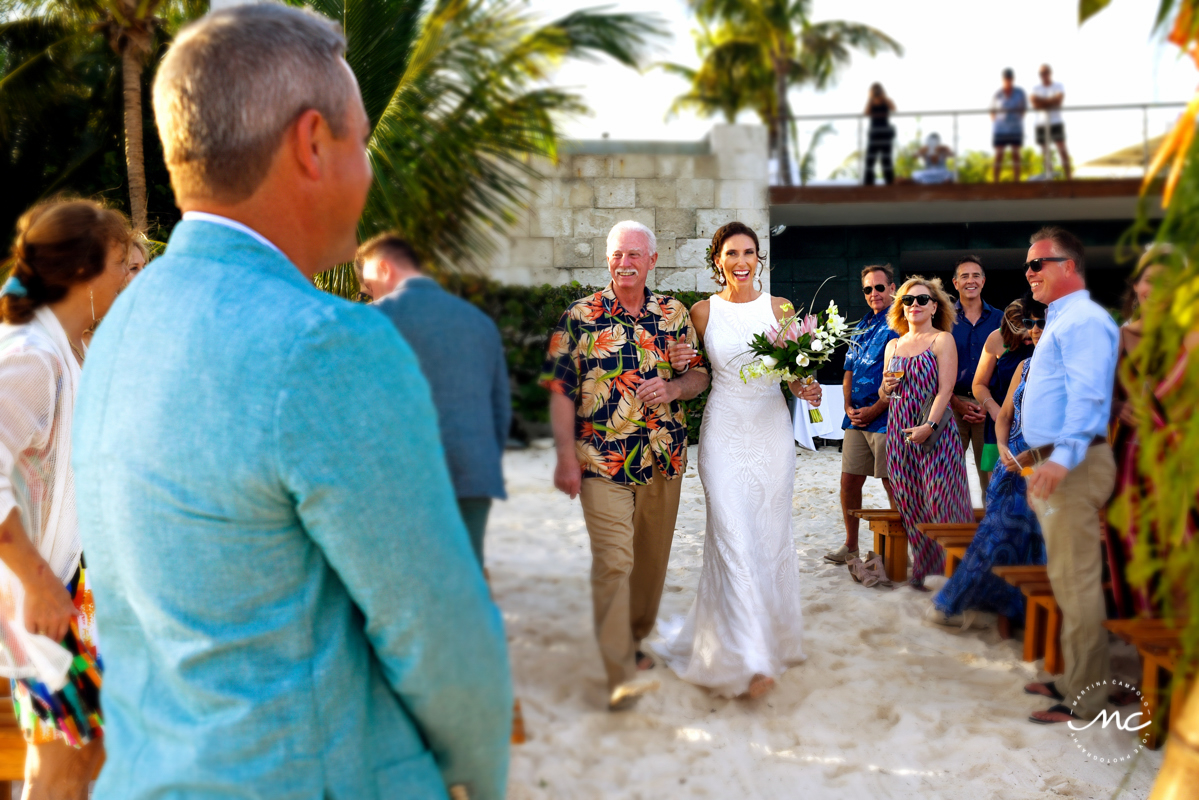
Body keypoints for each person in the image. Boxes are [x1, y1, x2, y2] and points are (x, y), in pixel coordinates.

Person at [72, 6, 512, 798]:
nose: (369, 168)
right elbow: (439, 632)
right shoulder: (324, 344)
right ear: (313, 143)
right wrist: (477, 780)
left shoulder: (122, 322)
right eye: (361, 140)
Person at [541, 220, 710, 710]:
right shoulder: (579, 315)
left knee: (650, 565)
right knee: (615, 562)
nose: (625, 262)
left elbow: (700, 375)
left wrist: (678, 384)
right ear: (608, 259)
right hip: (601, 461)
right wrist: (563, 456)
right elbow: (558, 389)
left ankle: (634, 639)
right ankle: (617, 670)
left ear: (652, 261)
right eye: (617, 254)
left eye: (635, 254)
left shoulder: (674, 313)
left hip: (663, 457)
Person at [655, 222, 822, 699]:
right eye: (732, 253)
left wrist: (804, 386)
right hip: (723, 431)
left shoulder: (781, 309)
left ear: (758, 259)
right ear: (718, 260)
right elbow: (694, 371)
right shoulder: (702, 312)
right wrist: (680, 360)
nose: (742, 260)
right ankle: (749, 660)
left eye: (750, 252)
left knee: (768, 537)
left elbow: (792, 374)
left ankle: (770, 639)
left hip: (771, 431)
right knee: (731, 537)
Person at [0, 200, 129, 800]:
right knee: (69, 765)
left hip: (49, 597)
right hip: (31, 601)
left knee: (78, 756)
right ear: (84, 271)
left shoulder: (62, 352)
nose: (131, 277)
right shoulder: (32, 359)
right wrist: (39, 583)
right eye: (123, 264)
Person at [1017, 226, 1119, 726]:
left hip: (1073, 465)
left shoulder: (1083, 320)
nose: (1030, 273)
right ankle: (1074, 677)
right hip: (1057, 460)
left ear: (1069, 266)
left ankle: (1087, 698)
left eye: (1039, 264)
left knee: (1077, 582)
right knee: (1065, 576)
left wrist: (1059, 460)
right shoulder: (1063, 318)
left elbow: (1090, 395)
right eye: (1028, 266)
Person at [358, 234, 511, 566]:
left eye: (367, 286)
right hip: (473, 475)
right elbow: (500, 410)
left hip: (401, 480)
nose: (368, 295)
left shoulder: (369, 320)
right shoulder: (480, 323)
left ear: (383, 268)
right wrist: (480, 460)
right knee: (463, 578)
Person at [931, 293, 1047, 625]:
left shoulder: (1048, 354)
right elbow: (983, 385)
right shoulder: (1003, 345)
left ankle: (1007, 598)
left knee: (1006, 514)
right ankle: (980, 590)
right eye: (1027, 324)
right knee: (993, 498)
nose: (1031, 331)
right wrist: (996, 416)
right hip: (1003, 433)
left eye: (1038, 322)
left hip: (1032, 446)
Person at [880, 277, 974, 590]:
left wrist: (929, 427)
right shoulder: (893, 345)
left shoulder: (941, 340)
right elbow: (885, 391)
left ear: (935, 306)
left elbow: (946, 389)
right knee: (910, 501)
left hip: (935, 432)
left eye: (922, 299)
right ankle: (926, 567)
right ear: (901, 307)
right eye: (908, 300)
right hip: (898, 432)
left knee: (941, 499)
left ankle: (958, 571)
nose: (915, 305)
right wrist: (886, 387)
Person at [1106, 245, 1171, 618]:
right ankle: (1147, 632)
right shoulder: (1120, 338)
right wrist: (1119, 408)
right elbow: (1100, 397)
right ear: (1136, 286)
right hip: (1134, 458)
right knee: (1138, 544)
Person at [825, 264, 898, 565]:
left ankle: (900, 549)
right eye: (868, 289)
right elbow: (848, 371)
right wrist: (847, 406)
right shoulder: (862, 325)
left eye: (879, 287)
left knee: (892, 483)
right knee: (849, 482)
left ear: (892, 288)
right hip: (855, 419)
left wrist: (875, 408)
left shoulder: (900, 323)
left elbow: (898, 375)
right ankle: (851, 544)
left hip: (886, 417)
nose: (874, 293)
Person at [950, 256, 1003, 494]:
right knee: (948, 477)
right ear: (955, 283)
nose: (970, 281)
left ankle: (991, 530)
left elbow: (1008, 366)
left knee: (991, 479)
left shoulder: (1001, 320)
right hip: (950, 405)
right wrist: (956, 403)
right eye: (964, 276)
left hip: (990, 409)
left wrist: (988, 404)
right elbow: (936, 367)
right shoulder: (942, 318)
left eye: (975, 275)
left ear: (983, 281)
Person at [971, 300, 1034, 478]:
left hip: (1034, 424)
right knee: (999, 486)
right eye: (1024, 339)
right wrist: (994, 410)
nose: (1029, 342)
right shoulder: (996, 339)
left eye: (1030, 336)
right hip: (1001, 420)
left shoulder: (1042, 335)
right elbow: (979, 384)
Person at [1031, 64, 1071, 180]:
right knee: (1045, 153)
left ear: (1050, 73)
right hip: (1041, 123)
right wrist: (1050, 101)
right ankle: (1050, 179)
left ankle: (1069, 178)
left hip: (1056, 122)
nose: (1043, 75)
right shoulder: (1035, 88)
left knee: (1062, 149)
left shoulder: (1059, 85)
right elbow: (1034, 104)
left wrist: (1042, 102)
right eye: (1041, 73)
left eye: (1045, 72)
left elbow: (1059, 101)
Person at [991, 68, 1027, 182]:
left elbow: (1024, 108)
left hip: (1015, 128)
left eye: (1010, 77)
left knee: (1016, 153)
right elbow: (992, 111)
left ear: (1013, 78)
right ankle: (995, 181)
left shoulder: (1020, 92)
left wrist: (1016, 118)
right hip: (1000, 129)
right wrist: (998, 120)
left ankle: (1017, 180)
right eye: (1006, 78)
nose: (1008, 80)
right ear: (1003, 79)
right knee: (999, 154)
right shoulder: (997, 94)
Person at [864, 83, 896, 186]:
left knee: (886, 159)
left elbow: (894, 108)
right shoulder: (871, 102)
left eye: (878, 90)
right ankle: (869, 182)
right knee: (870, 159)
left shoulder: (886, 100)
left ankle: (889, 182)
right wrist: (871, 99)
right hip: (874, 133)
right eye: (875, 90)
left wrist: (884, 97)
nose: (877, 92)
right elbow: (866, 113)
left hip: (885, 132)